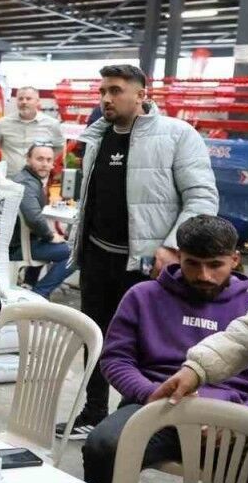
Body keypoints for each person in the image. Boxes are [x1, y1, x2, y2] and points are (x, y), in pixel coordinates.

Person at [65, 64, 218, 439]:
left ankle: (131, 419)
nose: (106, 98)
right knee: (94, 335)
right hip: (97, 257)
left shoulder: (177, 135)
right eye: (103, 91)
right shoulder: (98, 136)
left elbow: (202, 198)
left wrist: (172, 246)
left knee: (142, 344)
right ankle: (93, 410)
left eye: (116, 90)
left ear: (141, 94)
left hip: (147, 265)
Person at [82, 215, 248, 483]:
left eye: (215, 265)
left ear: (234, 259)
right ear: (179, 256)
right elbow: (116, 359)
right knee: (103, 446)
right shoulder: (142, 296)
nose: (203, 275)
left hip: (232, 417)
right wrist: (151, 393)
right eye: (192, 263)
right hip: (155, 408)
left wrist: (245, 420)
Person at [11, 142, 74, 299]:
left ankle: (29, 285)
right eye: (39, 159)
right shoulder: (27, 183)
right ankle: (39, 294)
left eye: (49, 160)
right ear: (28, 159)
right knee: (76, 254)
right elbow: (34, 218)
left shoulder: (29, 179)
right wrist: (51, 236)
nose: (45, 164)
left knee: (44, 238)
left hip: (20, 242)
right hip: (18, 247)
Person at [0, 86, 64, 176]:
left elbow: (59, 146)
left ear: (37, 101)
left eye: (28, 99)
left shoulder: (52, 124)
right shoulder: (3, 124)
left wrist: (44, 162)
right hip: (9, 179)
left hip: (37, 179)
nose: (24, 102)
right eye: (20, 99)